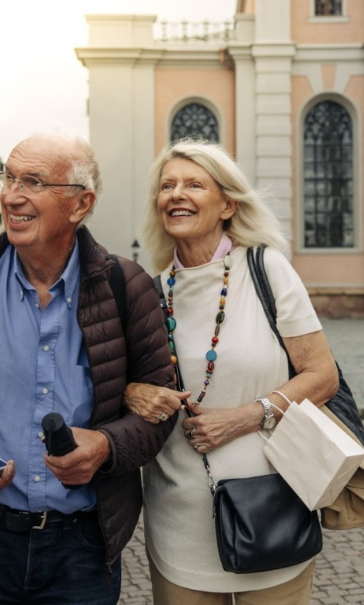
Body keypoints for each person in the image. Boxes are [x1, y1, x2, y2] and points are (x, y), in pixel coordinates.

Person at [0, 134, 175, 605]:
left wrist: (106, 447)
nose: (11, 195)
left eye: (33, 181)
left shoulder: (127, 287)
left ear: (80, 204)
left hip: (82, 546)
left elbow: (161, 408)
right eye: (8, 177)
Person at [124, 139, 339, 604]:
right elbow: (124, 381)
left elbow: (322, 376)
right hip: (179, 518)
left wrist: (244, 416)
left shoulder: (268, 270)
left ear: (226, 203)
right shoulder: (147, 292)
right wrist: (132, 392)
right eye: (167, 186)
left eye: (194, 184)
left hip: (274, 507)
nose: (176, 194)